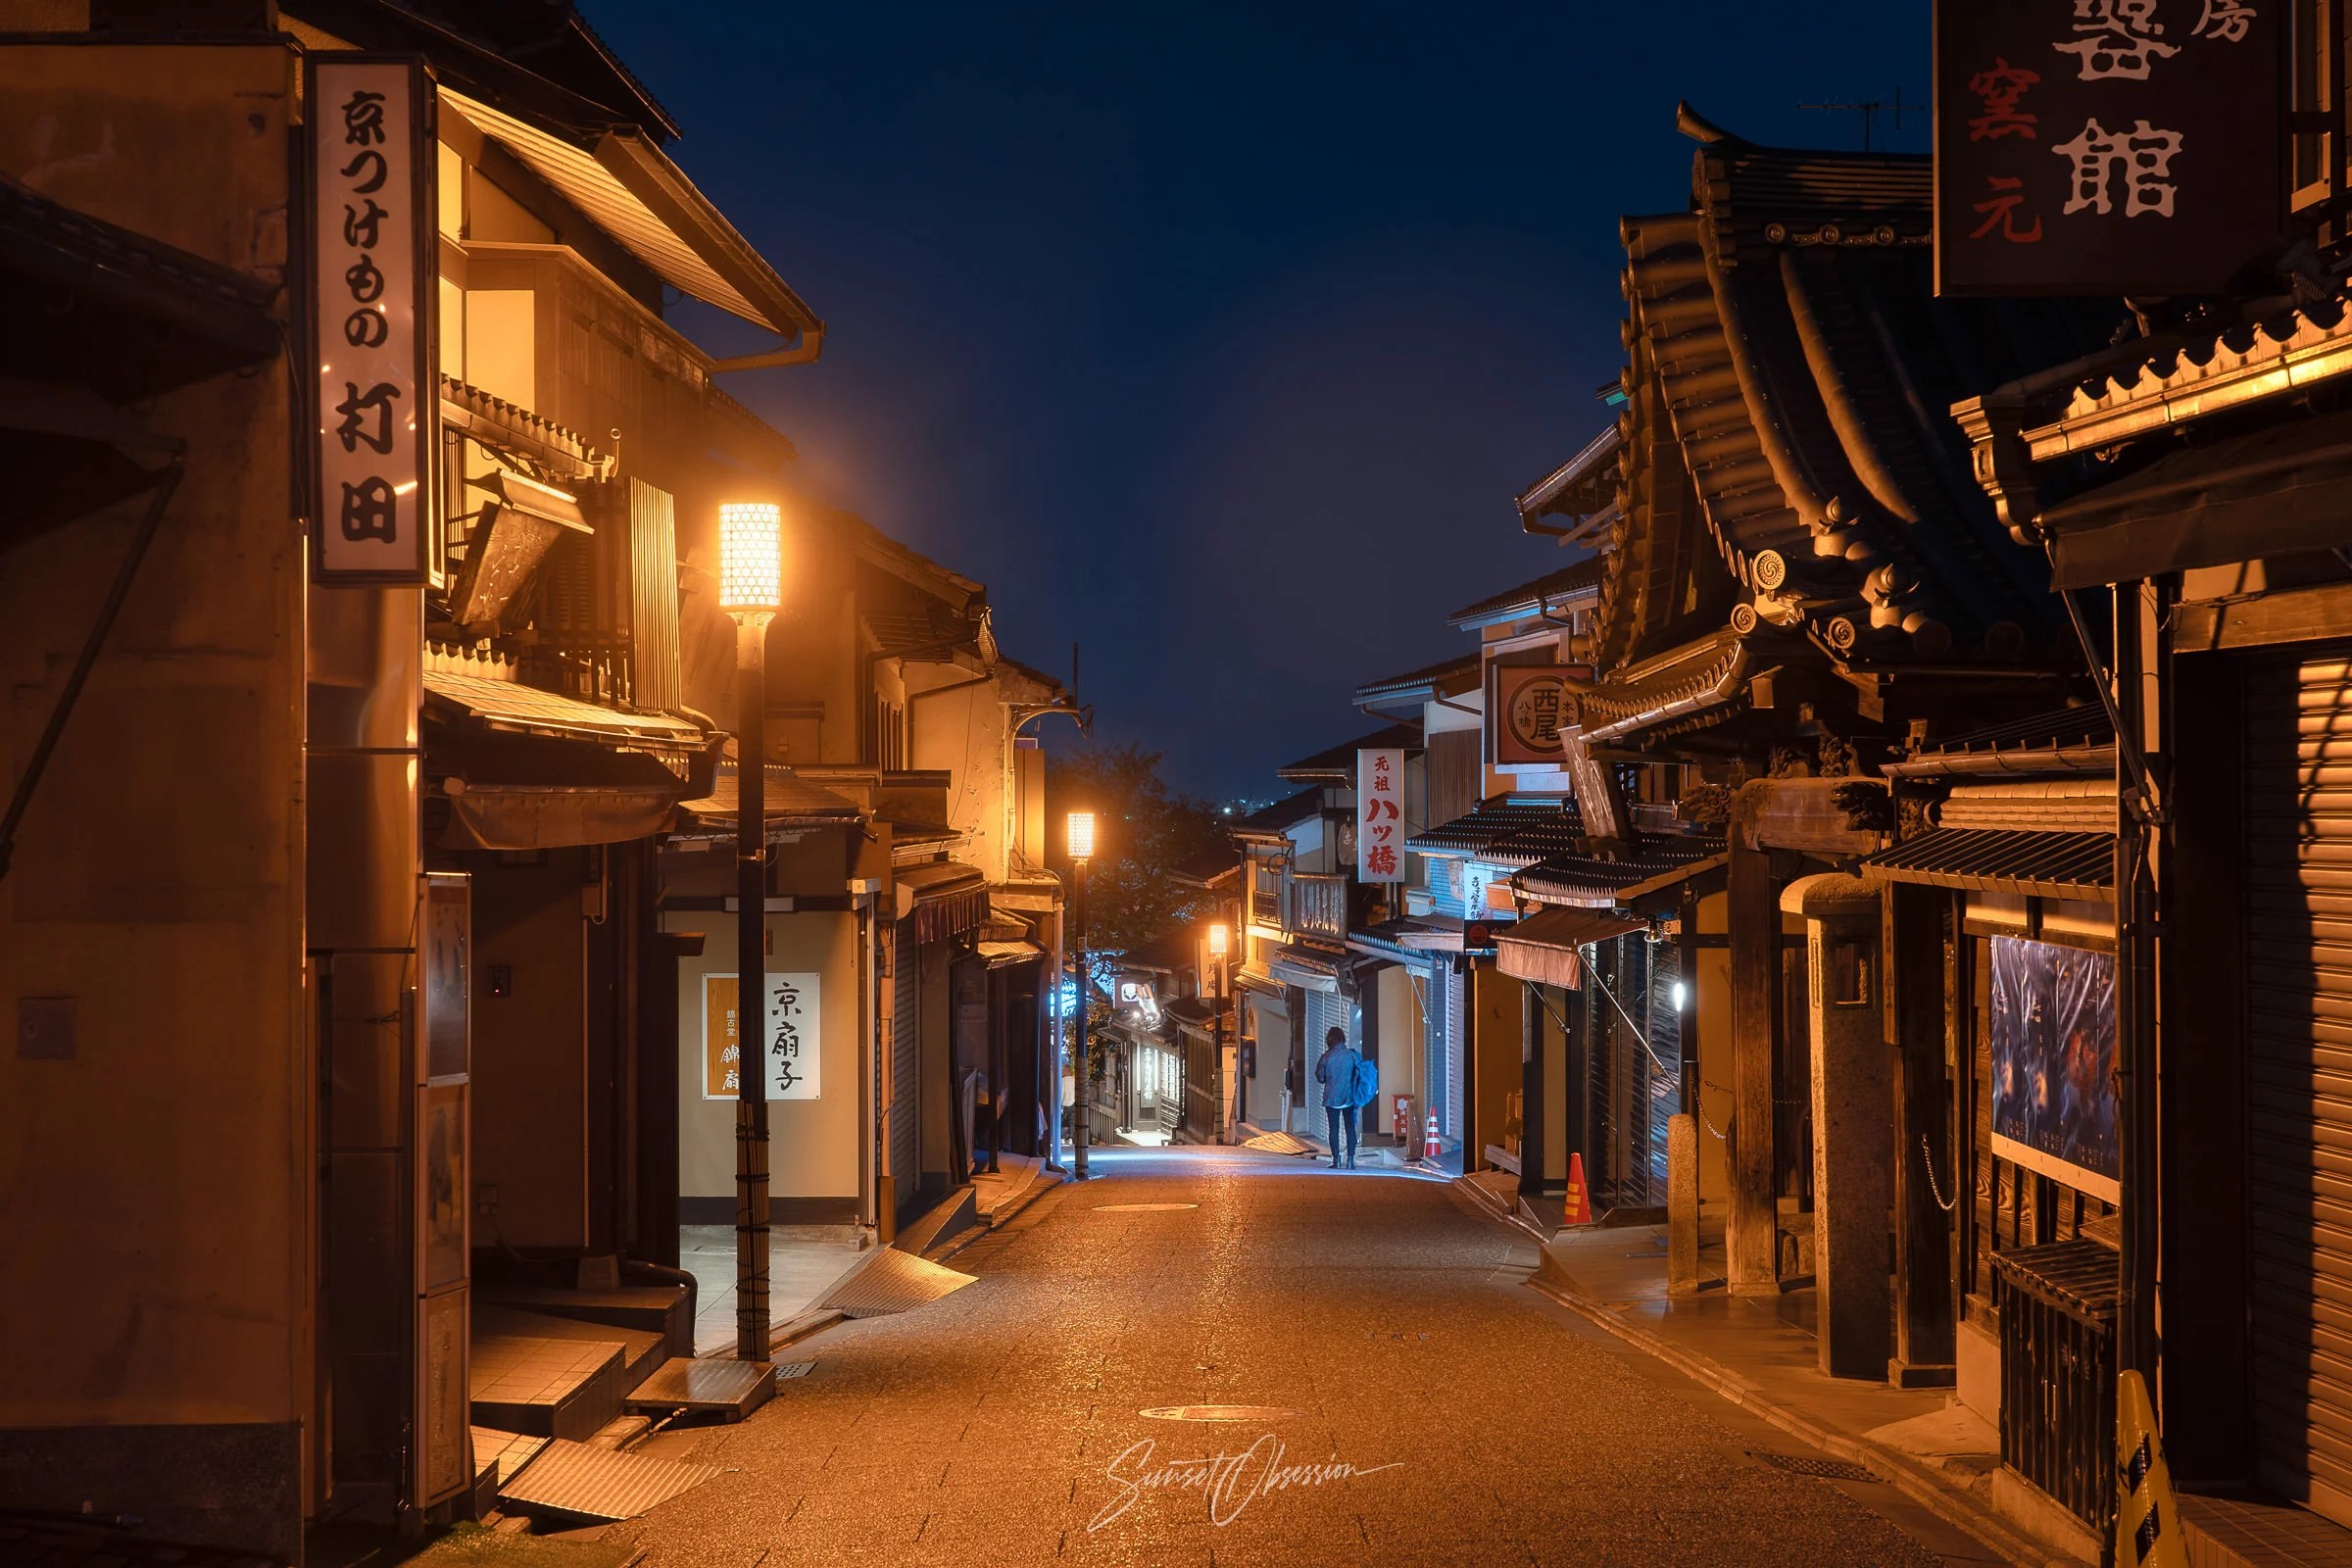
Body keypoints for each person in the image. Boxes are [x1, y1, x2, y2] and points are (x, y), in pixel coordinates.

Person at [1313, 1025, 1364, 1170]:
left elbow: (1320, 1078)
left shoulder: (1326, 1057)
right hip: (1349, 1097)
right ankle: (1350, 1161)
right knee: (1350, 1128)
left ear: (1329, 1040)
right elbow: (1360, 1073)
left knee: (1333, 1129)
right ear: (1342, 1039)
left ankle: (1336, 1160)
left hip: (1332, 1099)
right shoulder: (1352, 1055)